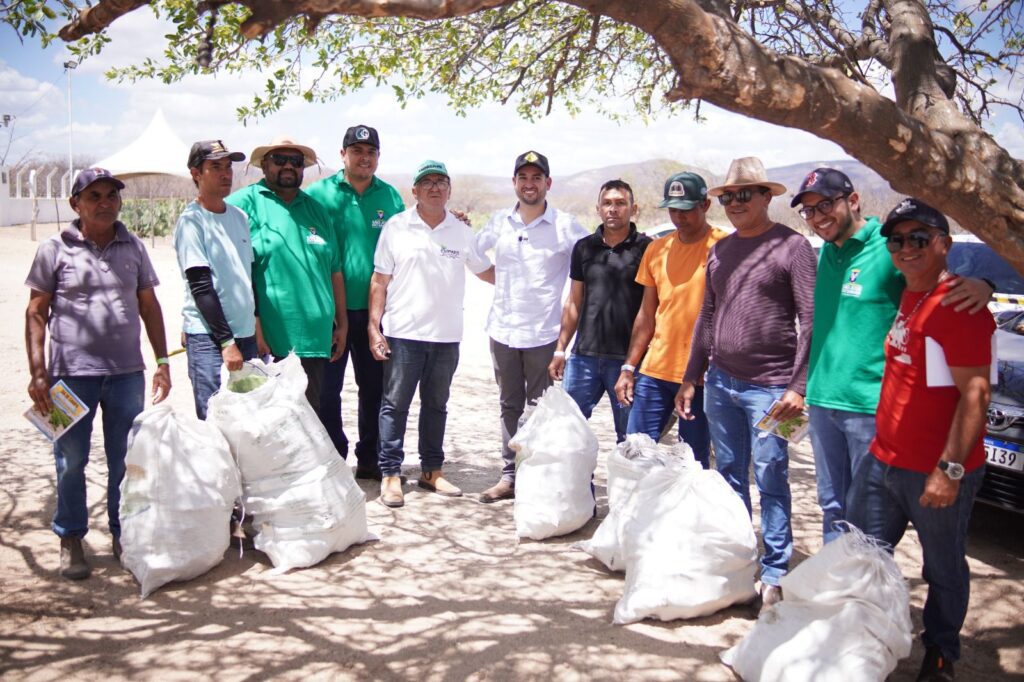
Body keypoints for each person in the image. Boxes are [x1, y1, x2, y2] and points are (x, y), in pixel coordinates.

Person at [792, 168, 994, 543]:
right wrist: (802, 387)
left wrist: (985, 285)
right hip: (822, 402)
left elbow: (938, 282)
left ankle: (868, 579)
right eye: (809, 211)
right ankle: (837, 578)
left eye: (825, 205)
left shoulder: (889, 248)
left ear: (853, 201)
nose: (818, 217)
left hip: (868, 408)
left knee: (865, 520)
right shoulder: (827, 253)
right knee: (831, 505)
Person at [847, 198, 994, 682]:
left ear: (944, 244)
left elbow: (975, 393)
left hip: (936, 468)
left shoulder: (959, 306)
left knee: (942, 566)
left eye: (919, 238)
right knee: (863, 554)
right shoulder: (911, 294)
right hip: (883, 459)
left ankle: (941, 652)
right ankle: (865, 640)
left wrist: (949, 470)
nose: (905, 248)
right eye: (897, 240)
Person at [676, 156, 816, 610]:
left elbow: (811, 320)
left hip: (773, 389)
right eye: (729, 197)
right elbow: (707, 315)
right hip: (720, 384)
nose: (735, 203)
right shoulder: (721, 250)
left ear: (765, 197)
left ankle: (774, 572)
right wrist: (692, 376)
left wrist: (798, 387)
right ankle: (739, 561)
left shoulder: (793, 247)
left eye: (744, 195)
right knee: (729, 476)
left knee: (771, 476)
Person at [25, 168, 172, 580]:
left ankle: (124, 534)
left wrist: (162, 362)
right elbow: (36, 312)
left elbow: (149, 306)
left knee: (126, 459)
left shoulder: (134, 246)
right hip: (68, 376)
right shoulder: (53, 249)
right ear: (76, 203)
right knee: (70, 460)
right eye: (94, 196)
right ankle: (71, 537)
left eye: (112, 195)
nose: (105, 202)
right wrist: (38, 373)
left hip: (127, 375)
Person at [368, 161, 493, 508]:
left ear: (449, 190)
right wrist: (374, 327)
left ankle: (431, 471)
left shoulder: (461, 231)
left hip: (446, 337)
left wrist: (528, 277)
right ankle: (390, 474)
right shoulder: (396, 227)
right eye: (427, 182)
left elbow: (486, 271)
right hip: (403, 334)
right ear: (415, 191)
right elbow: (379, 280)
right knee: (395, 406)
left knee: (436, 405)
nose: (434, 187)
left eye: (441, 182)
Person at [475, 151, 589, 503]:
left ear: (547, 183)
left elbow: (590, 258)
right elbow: (472, 253)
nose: (529, 184)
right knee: (509, 405)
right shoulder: (499, 222)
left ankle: (536, 477)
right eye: (523, 177)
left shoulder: (565, 225)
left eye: (536, 178)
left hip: (543, 335)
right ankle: (509, 476)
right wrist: (498, 279)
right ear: (514, 183)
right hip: (503, 331)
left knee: (540, 408)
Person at [307, 124, 405, 479]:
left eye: (371, 152)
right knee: (325, 392)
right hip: (329, 312)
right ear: (342, 154)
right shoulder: (317, 195)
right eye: (357, 151)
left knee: (375, 389)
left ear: (378, 157)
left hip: (376, 313)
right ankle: (333, 458)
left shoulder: (390, 197)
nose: (364, 158)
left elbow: (409, 238)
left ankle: (370, 459)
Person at [614, 172, 729, 466]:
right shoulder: (657, 249)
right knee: (634, 452)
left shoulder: (724, 247)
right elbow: (647, 314)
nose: (679, 217)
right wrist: (629, 367)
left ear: (705, 204)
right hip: (656, 370)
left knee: (691, 462)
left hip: (700, 375)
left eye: (686, 209)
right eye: (673, 209)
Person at [226, 137, 346, 418]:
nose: (288, 166)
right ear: (264, 165)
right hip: (269, 342)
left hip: (315, 340)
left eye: (296, 161)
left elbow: (335, 271)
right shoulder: (242, 204)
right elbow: (229, 272)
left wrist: (342, 323)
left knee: (308, 420)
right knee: (269, 423)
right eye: (280, 160)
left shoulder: (317, 210)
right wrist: (254, 323)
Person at [548, 179, 651, 442]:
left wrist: (632, 364)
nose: (613, 209)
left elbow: (651, 309)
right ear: (598, 209)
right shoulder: (584, 248)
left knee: (630, 438)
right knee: (567, 434)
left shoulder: (647, 249)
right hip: (584, 358)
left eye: (620, 203)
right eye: (607, 203)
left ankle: (625, 473)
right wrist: (560, 349)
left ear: (633, 208)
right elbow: (574, 301)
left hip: (627, 361)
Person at [174, 140, 258, 419]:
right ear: (196, 174)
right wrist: (226, 342)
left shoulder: (239, 217)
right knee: (216, 421)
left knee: (248, 421)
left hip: (245, 336)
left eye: (228, 167)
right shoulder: (192, 221)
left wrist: (256, 327)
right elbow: (201, 287)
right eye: (216, 167)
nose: (225, 174)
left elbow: (246, 277)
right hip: (211, 340)